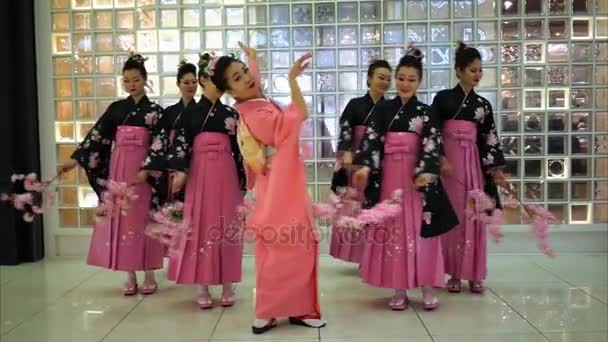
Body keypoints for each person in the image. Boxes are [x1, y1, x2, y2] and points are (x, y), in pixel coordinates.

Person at [209, 43, 326, 334]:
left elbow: (254, 78)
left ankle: (292, 308)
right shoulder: (255, 113)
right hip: (278, 187)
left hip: (279, 182)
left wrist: (251, 58)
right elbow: (294, 119)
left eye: (245, 71)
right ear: (231, 93)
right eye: (237, 78)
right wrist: (293, 81)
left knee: (289, 246)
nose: (248, 77)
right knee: (284, 246)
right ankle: (272, 309)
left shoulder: (253, 98)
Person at [352, 45, 458, 311]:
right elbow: (372, 141)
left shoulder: (425, 112)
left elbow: (432, 143)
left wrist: (426, 170)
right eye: (400, 79)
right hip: (389, 177)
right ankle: (399, 288)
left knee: (422, 230)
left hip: (417, 178)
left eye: (411, 80)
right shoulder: (383, 110)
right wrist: (365, 167)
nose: (405, 84)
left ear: (419, 81)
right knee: (395, 233)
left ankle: (427, 287)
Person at [60, 53, 165, 295]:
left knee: (143, 220)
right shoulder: (117, 109)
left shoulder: (156, 111)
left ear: (145, 80)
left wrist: (148, 167)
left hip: (143, 172)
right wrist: (75, 161)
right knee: (123, 220)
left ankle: (149, 273)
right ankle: (129, 274)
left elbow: (161, 143)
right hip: (120, 170)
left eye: (136, 79)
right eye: (127, 80)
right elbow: (97, 137)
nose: (131, 84)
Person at [166, 53, 246, 309]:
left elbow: (240, 149)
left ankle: (228, 284)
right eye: (212, 79)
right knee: (199, 225)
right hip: (199, 174)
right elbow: (180, 145)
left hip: (226, 172)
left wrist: (244, 178)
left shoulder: (231, 114)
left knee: (227, 224)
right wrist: (180, 171)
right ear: (202, 80)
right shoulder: (190, 114)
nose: (218, 85)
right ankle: (202, 285)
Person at [433, 42, 507, 294]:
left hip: (473, 165)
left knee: (473, 215)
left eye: (479, 70)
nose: (478, 74)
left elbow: (490, 138)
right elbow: (432, 132)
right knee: (453, 217)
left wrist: (494, 168)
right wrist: (440, 158)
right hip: (449, 168)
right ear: (459, 71)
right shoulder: (442, 99)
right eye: (473, 70)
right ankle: (453, 273)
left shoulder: (483, 105)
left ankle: (475, 273)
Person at [329, 59, 392, 264]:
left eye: (388, 79)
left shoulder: (390, 107)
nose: (384, 82)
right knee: (354, 204)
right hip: (355, 158)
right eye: (380, 77)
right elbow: (345, 127)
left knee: (374, 204)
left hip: (377, 160)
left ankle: (373, 254)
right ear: (369, 78)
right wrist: (346, 151)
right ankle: (356, 253)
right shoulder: (355, 104)